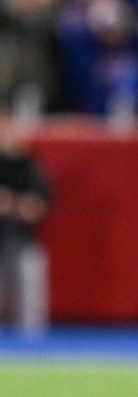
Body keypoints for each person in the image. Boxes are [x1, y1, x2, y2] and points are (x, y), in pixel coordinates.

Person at [0, 106, 52, 336]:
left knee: (30, 272)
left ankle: (32, 346)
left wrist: (17, 206)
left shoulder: (28, 165)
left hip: (21, 240)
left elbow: (40, 204)